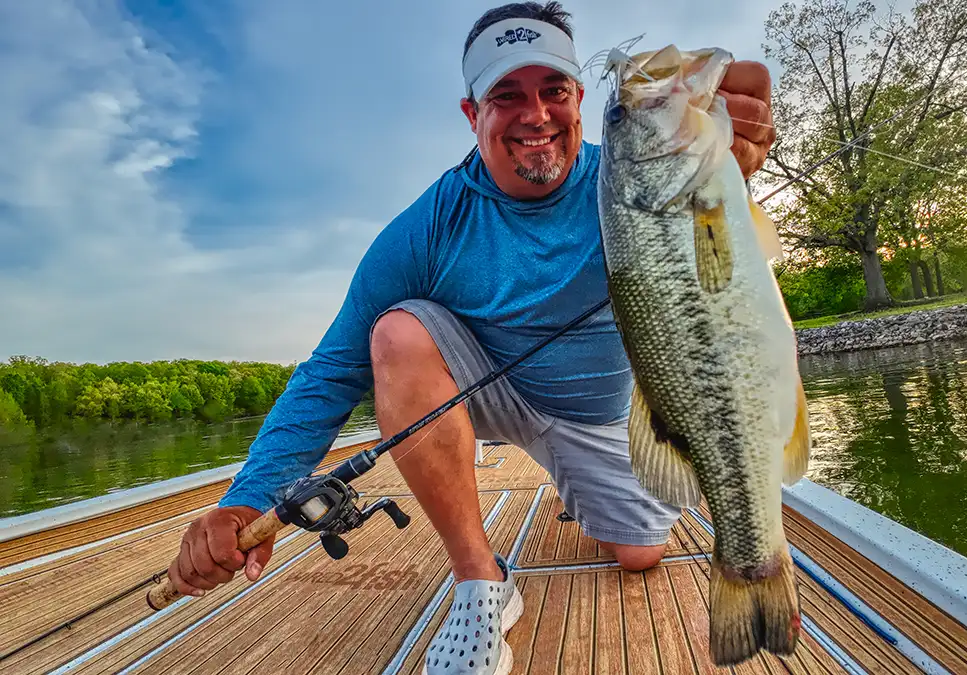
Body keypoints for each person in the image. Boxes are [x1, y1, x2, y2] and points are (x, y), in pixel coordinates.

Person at [166, 2, 776, 673]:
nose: (536, 115)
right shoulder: (429, 225)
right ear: (471, 114)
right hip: (481, 392)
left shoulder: (631, 172)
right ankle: (482, 579)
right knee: (395, 333)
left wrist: (735, 143)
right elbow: (330, 371)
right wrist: (245, 501)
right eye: (506, 95)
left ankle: (576, 486)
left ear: (578, 97)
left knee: (641, 553)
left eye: (554, 91)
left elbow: (721, 247)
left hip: (592, 412)